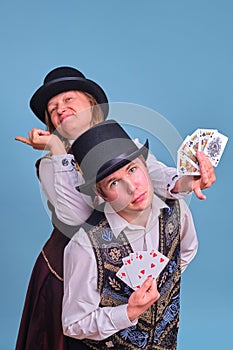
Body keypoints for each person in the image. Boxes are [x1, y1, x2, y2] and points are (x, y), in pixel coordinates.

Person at [15, 66, 215, 350]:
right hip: (73, 270)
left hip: (128, 262)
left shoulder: (123, 144)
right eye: (53, 108)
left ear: (91, 104)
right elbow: (79, 221)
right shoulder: (52, 164)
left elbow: (155, 176)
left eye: (68, 99)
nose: (61, 109)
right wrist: (59, 151)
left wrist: (188, 180)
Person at [62, 119, 199, 349]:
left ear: (146, 166)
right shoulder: (85, 246)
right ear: (102, 194)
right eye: (114, 182)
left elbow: (186, 251)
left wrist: (162, 281)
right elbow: (73, 324)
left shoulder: (177, 212)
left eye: (133, 169)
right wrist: (127, 312)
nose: (132, 188)